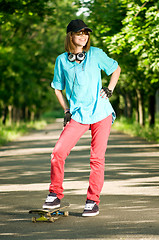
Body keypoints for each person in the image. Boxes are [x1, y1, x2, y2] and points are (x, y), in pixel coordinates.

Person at [43, 19, 121, 217]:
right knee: (58, 153)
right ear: (70, 36)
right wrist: (66, 110)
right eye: (79, 33)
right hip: (78, 114)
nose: (84, 36)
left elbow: (116, 69)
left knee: (97, 158)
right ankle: (54, 194)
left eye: (86, 33)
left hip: (101, 112)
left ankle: (92, 201)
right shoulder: (61, 60)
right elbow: (57, 88)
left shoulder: (95, 53)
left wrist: (109, 89)